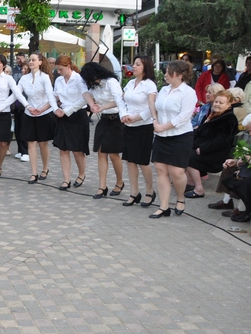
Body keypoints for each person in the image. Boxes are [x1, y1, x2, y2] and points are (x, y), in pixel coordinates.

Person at [149, 60, 198, 218]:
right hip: (161, 136)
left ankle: (180, 198)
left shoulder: (188, 92)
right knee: (160, 170)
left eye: (169, 72)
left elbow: (184, 117)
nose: (165, 75)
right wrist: (155, 121)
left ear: (180, 75)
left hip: (180, 136)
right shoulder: (164, 90)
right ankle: (164, 206)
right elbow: (157, 108)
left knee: (176, 172)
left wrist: (163, 127)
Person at [81, 62, 128, 199]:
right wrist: (92, 105)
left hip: (117, 119)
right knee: (101, 152)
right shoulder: (93, 86)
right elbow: (85, 94)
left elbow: (119, 100)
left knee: (113, 154)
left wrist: (102, 107)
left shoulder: (111, 82)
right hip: (104, 119)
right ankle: (102, 186)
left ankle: (119, 182)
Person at [120, 56, 158, 207]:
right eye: (133, 64)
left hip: (143, 127)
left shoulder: (149, 85)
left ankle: (150, 190)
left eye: (137, 64)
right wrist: (124, 115)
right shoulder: (130, 83)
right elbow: (121, 101)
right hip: (129, 127)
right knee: (130, 161)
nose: (133, 67)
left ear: (145, 67)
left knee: (143, 161)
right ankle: (134, 192)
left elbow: (152, 107)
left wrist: (135, 118)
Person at [184, 90, 237, 198]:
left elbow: (221, 140)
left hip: (216, 154)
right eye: (216, 101)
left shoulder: (229, 119)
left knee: (189, 157)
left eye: (221, 103)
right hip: (204, 147)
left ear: (229, 104)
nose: (217, 104)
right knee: (181, 150)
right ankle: (189, 182)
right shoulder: (214, 114)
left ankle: (198, 189)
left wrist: (203, 148)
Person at [17, 52, 58, 184]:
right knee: (31, 142)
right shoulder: (24, 78)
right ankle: (33, 172)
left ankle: (45, 169)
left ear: (40, 62)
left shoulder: (45, 77)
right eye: (30, 60)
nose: (31, 62)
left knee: (43, 143)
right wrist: (28, 106)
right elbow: (17, 93)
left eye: (34, 60)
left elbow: (50, 95)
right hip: (30, 113)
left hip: (44, 112)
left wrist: (47, 109)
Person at [53, 56, 89, 190]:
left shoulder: (79, 79)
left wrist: (68, 110)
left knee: (77, 150)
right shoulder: (59, 80)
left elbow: (85, 99)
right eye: (57, 69)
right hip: (63, 116)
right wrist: (55, 108)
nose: (58, 72)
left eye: (60, 69)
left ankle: (81, 174)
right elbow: (54, 96)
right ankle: (66, 179)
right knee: (63, 149)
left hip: (77, 115)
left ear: (68, 66)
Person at [12, 53, 29, 162]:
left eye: (25, 69)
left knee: (24, 130)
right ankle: (20, 150)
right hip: (17, 107)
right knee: (17, 129)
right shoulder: (20, 79)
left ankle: (25, 151)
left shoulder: (29, 80)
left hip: (26, 107)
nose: (23, 70)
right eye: (22, 68)